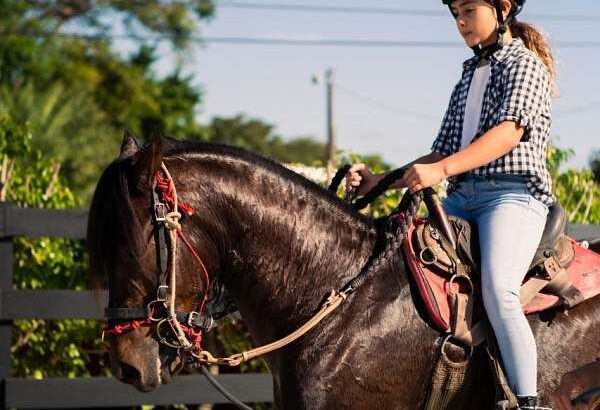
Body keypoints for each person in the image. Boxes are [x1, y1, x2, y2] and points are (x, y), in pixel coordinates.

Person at [346, 0, 556, 409]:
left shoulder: (525, 65)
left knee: (499, 291)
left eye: (468, 10)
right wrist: (379, 183)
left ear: (503, 8)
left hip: (511, 195)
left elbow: (507, 133)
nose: (460, 22)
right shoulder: (469, 74)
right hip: (460, 198)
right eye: (455, 13)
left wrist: (442, 169)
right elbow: (439, 151)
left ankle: (529, 403)